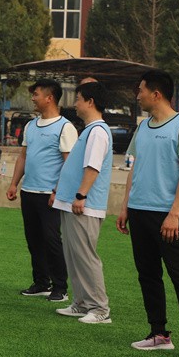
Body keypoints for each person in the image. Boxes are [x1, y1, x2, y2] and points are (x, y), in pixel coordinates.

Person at [116, 70, 179, 357]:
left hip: (169, 216)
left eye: (140, 90)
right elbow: (135, 169)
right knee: (148, 275)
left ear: (156, 94)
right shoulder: (143, 127)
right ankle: (159, 334)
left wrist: (174, 213)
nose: (137, 96)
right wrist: (126, 206)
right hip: (139, 212)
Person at [5, 79, 75, 302]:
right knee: (33, 240)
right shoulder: (31, 125)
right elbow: (23, 157)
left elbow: (69, 164)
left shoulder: (65, 127)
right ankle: (41, 282)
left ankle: (60, 287)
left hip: (50, 195)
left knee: (51, 240)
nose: (33, 98)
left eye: (36, 94)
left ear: (49, 98)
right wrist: (14, 183)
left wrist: (57, 191)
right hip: (29, 192)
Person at [52, 81, 113, 324]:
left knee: (85, 256)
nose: (75, 104)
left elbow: (93, 167)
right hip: (71, 202)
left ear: (90, 101)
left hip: (83, 205)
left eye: (78, 99)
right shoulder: (89, 130)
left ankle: (100, 309)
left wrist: (81, 195)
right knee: (73, 256)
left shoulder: (98, 131)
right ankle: (81, 303)